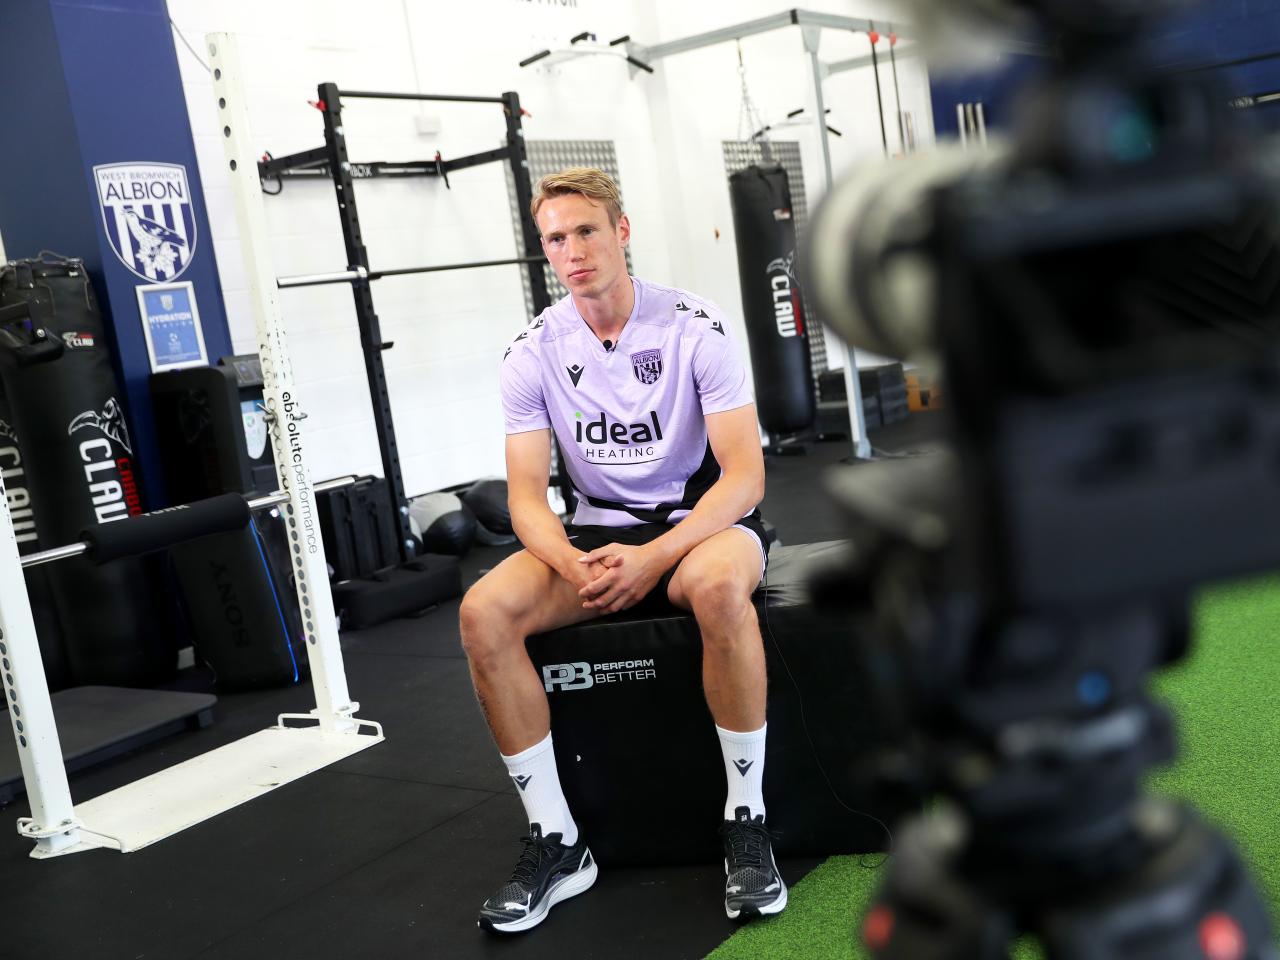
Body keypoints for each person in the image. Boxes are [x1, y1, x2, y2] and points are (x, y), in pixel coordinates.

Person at [460, 167, 784, 934]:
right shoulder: (533, 352)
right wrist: (574, 563)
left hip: (703, 528)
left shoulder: (696, 328)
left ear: (621, 230)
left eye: (585, 231)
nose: (572, 251)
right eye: (555, 240)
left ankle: (747, 819)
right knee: (485, 612)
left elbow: (745, 477)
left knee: (715, 591)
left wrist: (658, 555)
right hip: (599, 537)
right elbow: (526, 499)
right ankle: (557, 840)